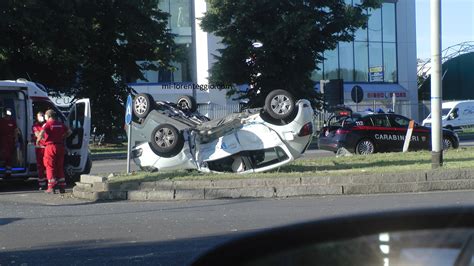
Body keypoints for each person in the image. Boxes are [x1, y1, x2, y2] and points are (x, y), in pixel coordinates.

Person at [36, 109, 71, 194]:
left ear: (48, 116)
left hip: (50, 147)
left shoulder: (47, 124)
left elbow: (41, 133)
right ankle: (62, 186)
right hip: (60, 146)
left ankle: (51, 187)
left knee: (50, 166)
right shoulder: (60, 124)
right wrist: (62, 137)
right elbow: (69, 132)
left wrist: (38, 141)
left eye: (45, 116)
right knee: (59, 166)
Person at [0, 108, 19, 175]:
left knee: (10, 154)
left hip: (11, 139)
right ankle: (5, 167)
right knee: (5, 154)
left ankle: (9, 170)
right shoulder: (1, 120)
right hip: (3, 139)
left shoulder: (12, 121)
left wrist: (16, 139)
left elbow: (16, 130)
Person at [32, 111, 47, 190]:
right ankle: (42, 184)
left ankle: (49, 182)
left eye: (42, 116)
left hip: (47, 148)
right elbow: (38, 135)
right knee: (40, 166)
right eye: (39, 116)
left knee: (48, 166)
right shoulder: (35, 126)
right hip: (39, 148)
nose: (41, 117)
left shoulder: (47, 124)